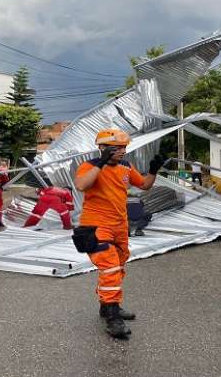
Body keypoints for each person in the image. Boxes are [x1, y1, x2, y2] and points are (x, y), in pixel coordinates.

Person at [74, 128, 162, 339]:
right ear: (102, 147)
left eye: (124, 147)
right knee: (111, 267)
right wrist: (101, 162)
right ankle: (113, 318)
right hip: (96, 226)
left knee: (119, 266)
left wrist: (154, 170)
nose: (123, 151)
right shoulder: (89, 166)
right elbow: (81, 185)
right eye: (118, 147)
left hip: (120, 226)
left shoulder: (125, 166)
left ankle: (107, 305)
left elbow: (144, 185)